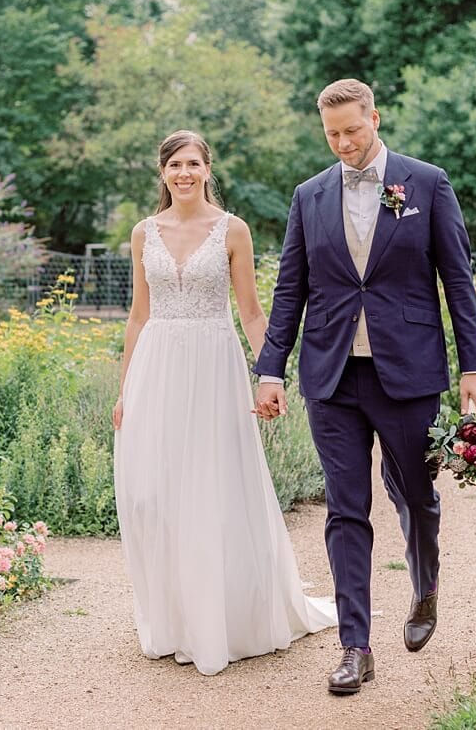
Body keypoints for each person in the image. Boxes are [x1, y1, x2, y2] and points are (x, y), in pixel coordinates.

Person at [252, 79, 476, 694]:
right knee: (345, 509)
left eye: (352, 131)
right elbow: (290, 290)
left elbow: (457, 282)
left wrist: (474, 366)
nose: (343, 144)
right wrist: (271, 368)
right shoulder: (308, 197)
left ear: (375, 118)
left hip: (407, 372)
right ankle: (354, 647)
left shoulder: (426, 184)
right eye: (332, 135)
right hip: (332, 376)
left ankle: (424, 588)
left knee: (415, 494)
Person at [112, 130, 337, 677]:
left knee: (213, 488)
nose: (184, 173)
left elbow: (253, 314)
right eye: (174, 165)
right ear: (162, 172)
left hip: (215, 368)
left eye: (193, 164)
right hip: (157, 370)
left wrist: (272, 374)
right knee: (155, 495)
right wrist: (124, 389)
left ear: (207, 169)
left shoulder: (232, 230)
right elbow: (139, 316)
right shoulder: (145, 233)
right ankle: (174, 619)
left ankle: (223, 621)